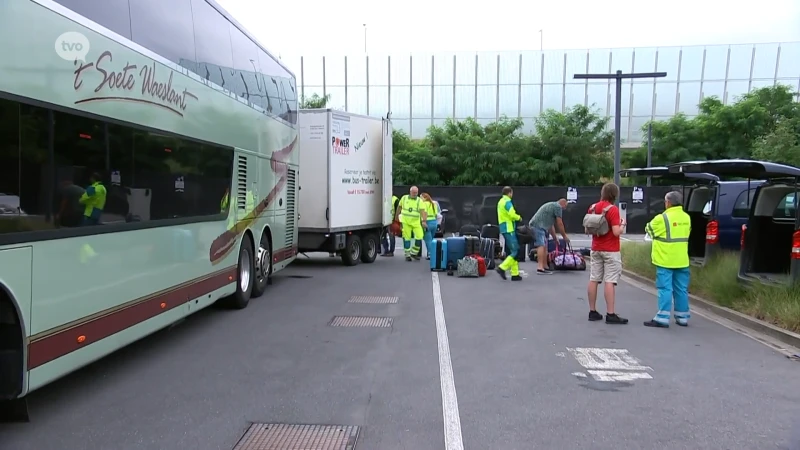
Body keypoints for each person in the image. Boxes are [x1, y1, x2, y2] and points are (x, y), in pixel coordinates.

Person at [644, 190, 692, 328]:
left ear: (668, 202)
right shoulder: (686, 217)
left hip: (665, 259)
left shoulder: (662, 218)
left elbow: (649, 229)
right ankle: (682, 317)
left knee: (665, 289)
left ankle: (662, 317)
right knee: (681, 289)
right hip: (682, 259)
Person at [586, 183, 628, 324]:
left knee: (594, 278)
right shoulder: (613, 210)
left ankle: (592, 311)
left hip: (596, 247)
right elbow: (616, 232)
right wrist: (623, 224)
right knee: (609, 281)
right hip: (611, 250)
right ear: (614, 194)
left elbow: (589, 228)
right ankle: (610, 314)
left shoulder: (593, 207)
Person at [529, 198, 569, 275]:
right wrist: (564, 237)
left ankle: (545, 266)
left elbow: (551, 226)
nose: (565, 209)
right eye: (565, 206)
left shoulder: (552, 206)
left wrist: (555, 238)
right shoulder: (557, 207)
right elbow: (560, 223)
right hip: (538, 226)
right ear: (563, 203)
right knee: (541, 245)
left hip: (538, 225)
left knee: (545, 246)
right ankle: (540, 268)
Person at [495, 186, 523, 281]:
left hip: (503, 228)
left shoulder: (500, 202)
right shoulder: (507, 202)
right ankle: (502, 267)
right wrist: (519, 217)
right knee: (516, 251)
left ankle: (515, 274)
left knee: (513, 251)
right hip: (509, 228)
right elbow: (512, 214)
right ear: (509, 193)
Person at [395, 186, 427, 261]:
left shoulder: (419, 201)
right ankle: (407, 255)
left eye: (416, 193)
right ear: (410, 192)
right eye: (413, 192)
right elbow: (399, 207)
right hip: (406, 222)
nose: (415, 194)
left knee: (420, 236)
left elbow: (423, 211)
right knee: (407, 238)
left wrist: (424, 221)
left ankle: (414, 252)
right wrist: (396, 217)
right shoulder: (404, 198)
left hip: (415, 222)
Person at [421, 193, 439, 260]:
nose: (420, 199)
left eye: (421, 197)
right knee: (431, 239)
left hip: (427, 222)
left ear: (425, 198)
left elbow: (424, 213)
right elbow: (436, 214)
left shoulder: (423, 204)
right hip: (434, 222)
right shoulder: (434, 204)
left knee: (428, 240)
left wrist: (424, 221)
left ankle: (431, 254)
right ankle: (432, 253)